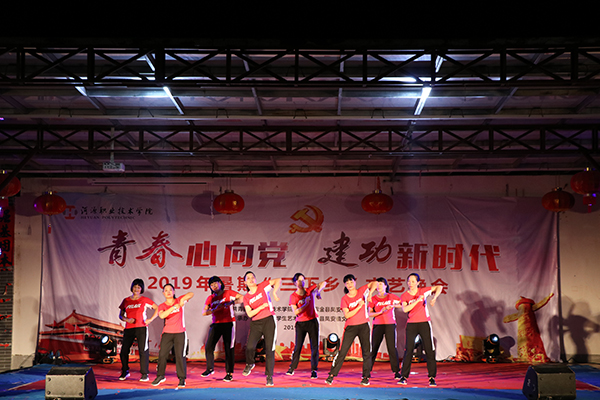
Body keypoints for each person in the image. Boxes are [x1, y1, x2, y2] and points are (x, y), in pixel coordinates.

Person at [325, 275, 377, 386]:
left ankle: (366, 377)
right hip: (350, 327)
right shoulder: (344, 299)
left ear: (355, 282)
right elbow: (347, 315)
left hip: (363, 325)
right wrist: (359, 306)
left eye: (351, 282)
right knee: (342, 351)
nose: (350, 284)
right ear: (345, 285)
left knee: (366, 352)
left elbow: (375, 283)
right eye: (347, 283)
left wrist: (370, 293)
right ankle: (331, 375)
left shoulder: (361, 291)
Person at [398, 272, 442, 387]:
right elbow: (405, 309)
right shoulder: (405, 295)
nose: (410, 283)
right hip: (411, 324)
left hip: (424, 323)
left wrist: (434, 298)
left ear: (418, 283)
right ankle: (404, 376)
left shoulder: (423, 291)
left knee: (429, 349)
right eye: (409, 281)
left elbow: (439, 287)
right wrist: (417, 300)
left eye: (413, 281)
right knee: (408, 350)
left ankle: (432, 377)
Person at [241, 271, 281, 387]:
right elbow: (249, 313)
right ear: (245, 282)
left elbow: (278, 280)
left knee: (269, 349)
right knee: (250, 347)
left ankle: (269, 376)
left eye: (253, 277)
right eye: (248, 278)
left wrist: (274, 292)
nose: (251, 279)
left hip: (269, 320)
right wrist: (261, 307)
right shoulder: (246, 297)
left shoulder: (262, 287)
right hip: (256, 323)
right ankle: (250, 363)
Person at [152, 283, 194, 388]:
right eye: (166, 290)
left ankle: (182, 378)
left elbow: (191, 294)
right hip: (167, 333)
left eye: (170, 290)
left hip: (180, 333)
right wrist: (174, 307)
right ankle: (160, 376)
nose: (168, 292)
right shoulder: (162, 306)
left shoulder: (178, 300)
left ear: (174, 291)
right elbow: (162, 315)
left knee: (180, 356)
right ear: (163, 293)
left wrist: (182, 300)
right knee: (162, 355)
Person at [201, 276, 243, 382]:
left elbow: (242, 298)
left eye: (215, 283)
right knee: (209, 346)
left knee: (229, 348)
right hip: (216, 324)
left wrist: (231, 303)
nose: (214, 286)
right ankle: (210, 368)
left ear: (220, 283)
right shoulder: (210, 298)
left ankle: (229, 373)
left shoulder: (228, 293)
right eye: (211, 285)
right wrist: (215, 309)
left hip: (229, 323)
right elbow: (204, 312)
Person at [286, 273, 327, 379]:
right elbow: (296, 312)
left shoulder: (309, 290)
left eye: (303, 280)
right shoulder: (293, 296)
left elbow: (324, 283)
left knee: (314, 347)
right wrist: (305, 304)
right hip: (300, 324)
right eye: (299, 281)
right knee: (298, 346)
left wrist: (318, 291)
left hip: (312, 322)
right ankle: (292, 368)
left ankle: (314, 370)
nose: (301, 282)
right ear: (295, 283)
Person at [118, 278, 158, 381]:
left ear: (141, 289)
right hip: (129, 328)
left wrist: (150, 319)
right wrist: (127, 319)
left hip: (141, 328)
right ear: (132, 288)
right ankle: (125, 371)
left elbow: (157, 308)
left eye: (139, 287)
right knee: (124, 351)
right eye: (135, 287)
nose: (136, 289)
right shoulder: (126, 300)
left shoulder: (144, 300)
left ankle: (144, 374)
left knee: (143, 351)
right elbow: (121, 315)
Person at [368, 277, 402, 380]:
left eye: (381, 284)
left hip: (390, 324)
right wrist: (380, 311)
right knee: (374, 348)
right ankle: (367, 371)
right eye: (377, 285)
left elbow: (402, 305)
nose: (379, 286)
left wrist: (393, 305)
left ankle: (396, 371)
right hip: (378, 324)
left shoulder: (391, 296)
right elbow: (369, 313)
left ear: (385, 286)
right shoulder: (373, 299)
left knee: (392, 348)